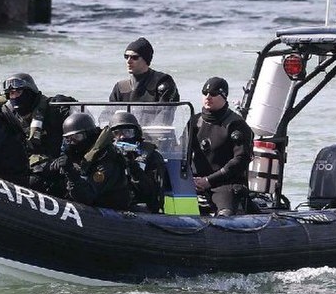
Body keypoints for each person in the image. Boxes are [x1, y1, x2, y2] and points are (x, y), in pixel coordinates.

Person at [57, 112, 157, 212]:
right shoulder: (79, 155)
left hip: (109, 212)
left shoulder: (107, 158)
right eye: (69, 139)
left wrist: (71, 174)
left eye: (127, 132)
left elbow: (87, 197)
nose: (122, 137)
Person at [2, 72, 76, 196]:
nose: (13, 97)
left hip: (61, 167)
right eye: (11, 94)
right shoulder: (10, 116)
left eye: (17, 92)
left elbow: (80, 135)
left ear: (29, 92)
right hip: (32, 166)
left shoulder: (56, 109)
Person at [189, 77, 254, 216]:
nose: (208, 97)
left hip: (224, 183)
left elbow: (241, 159)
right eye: (205, 93)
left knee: (225, 214)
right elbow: (181, 151)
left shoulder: (236, 124)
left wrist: (208, 181)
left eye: (213, 94)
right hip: (194, 182)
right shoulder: (194, 122)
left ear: (224, 96)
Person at [108, 37, 179, 125]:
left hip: (154, 136)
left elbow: (164, 118)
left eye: (134, 57)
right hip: (124, 134)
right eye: (126, 57)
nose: (129, 61)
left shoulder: (163, 82)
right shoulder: (120, 87)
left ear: (146, 59)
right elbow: (107, 116)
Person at [109, 111, 166, 213]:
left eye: (127, 132)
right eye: (117, 133)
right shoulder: (107, 155)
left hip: (139, 206)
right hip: (111, 206)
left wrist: (133, 167)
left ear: (136, 133)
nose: (122, 137)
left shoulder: (151, 156)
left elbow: (154, 195)